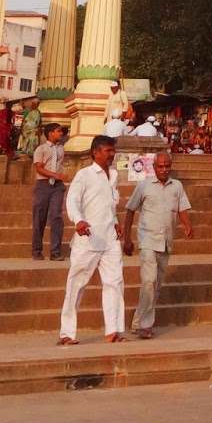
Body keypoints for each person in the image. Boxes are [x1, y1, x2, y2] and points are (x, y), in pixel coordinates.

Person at [59, 134, 125, 344]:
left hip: (110, 238)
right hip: (88, 237)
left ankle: (113, 330)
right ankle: (67, 333)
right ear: (95, 152)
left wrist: (115, 221)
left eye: (113, 151)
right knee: (76, 284)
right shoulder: (84, 175)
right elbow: (72, 200)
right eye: (108, 151)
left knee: (114, 283)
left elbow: (109, 203)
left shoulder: (113, 175)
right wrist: (78, 221)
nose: (111, 155)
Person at [123, 151, 194, 338]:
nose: (164, 170)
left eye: (167, 166)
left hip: (166, 241)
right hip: (147, 239)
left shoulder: (177, 186)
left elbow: (182, 209)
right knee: (148, 281)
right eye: (160, 166)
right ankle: (146, 326)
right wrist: (127, 238)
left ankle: (138, 321)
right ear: (154, 168)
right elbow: (130, 210)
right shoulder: (144, 185)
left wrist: (187, 225)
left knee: (155, 285)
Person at [32, 122, 69, 260]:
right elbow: (39, 168)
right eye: (58, 131)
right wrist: (55, 175)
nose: (60, 134)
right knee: (39, 218)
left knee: (56, 217)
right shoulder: (41, 149)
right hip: (43, 184)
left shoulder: (61, 149)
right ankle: (36, 250)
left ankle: (55, 252)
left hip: (57, 186)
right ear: (50, 133)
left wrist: (58, 177)